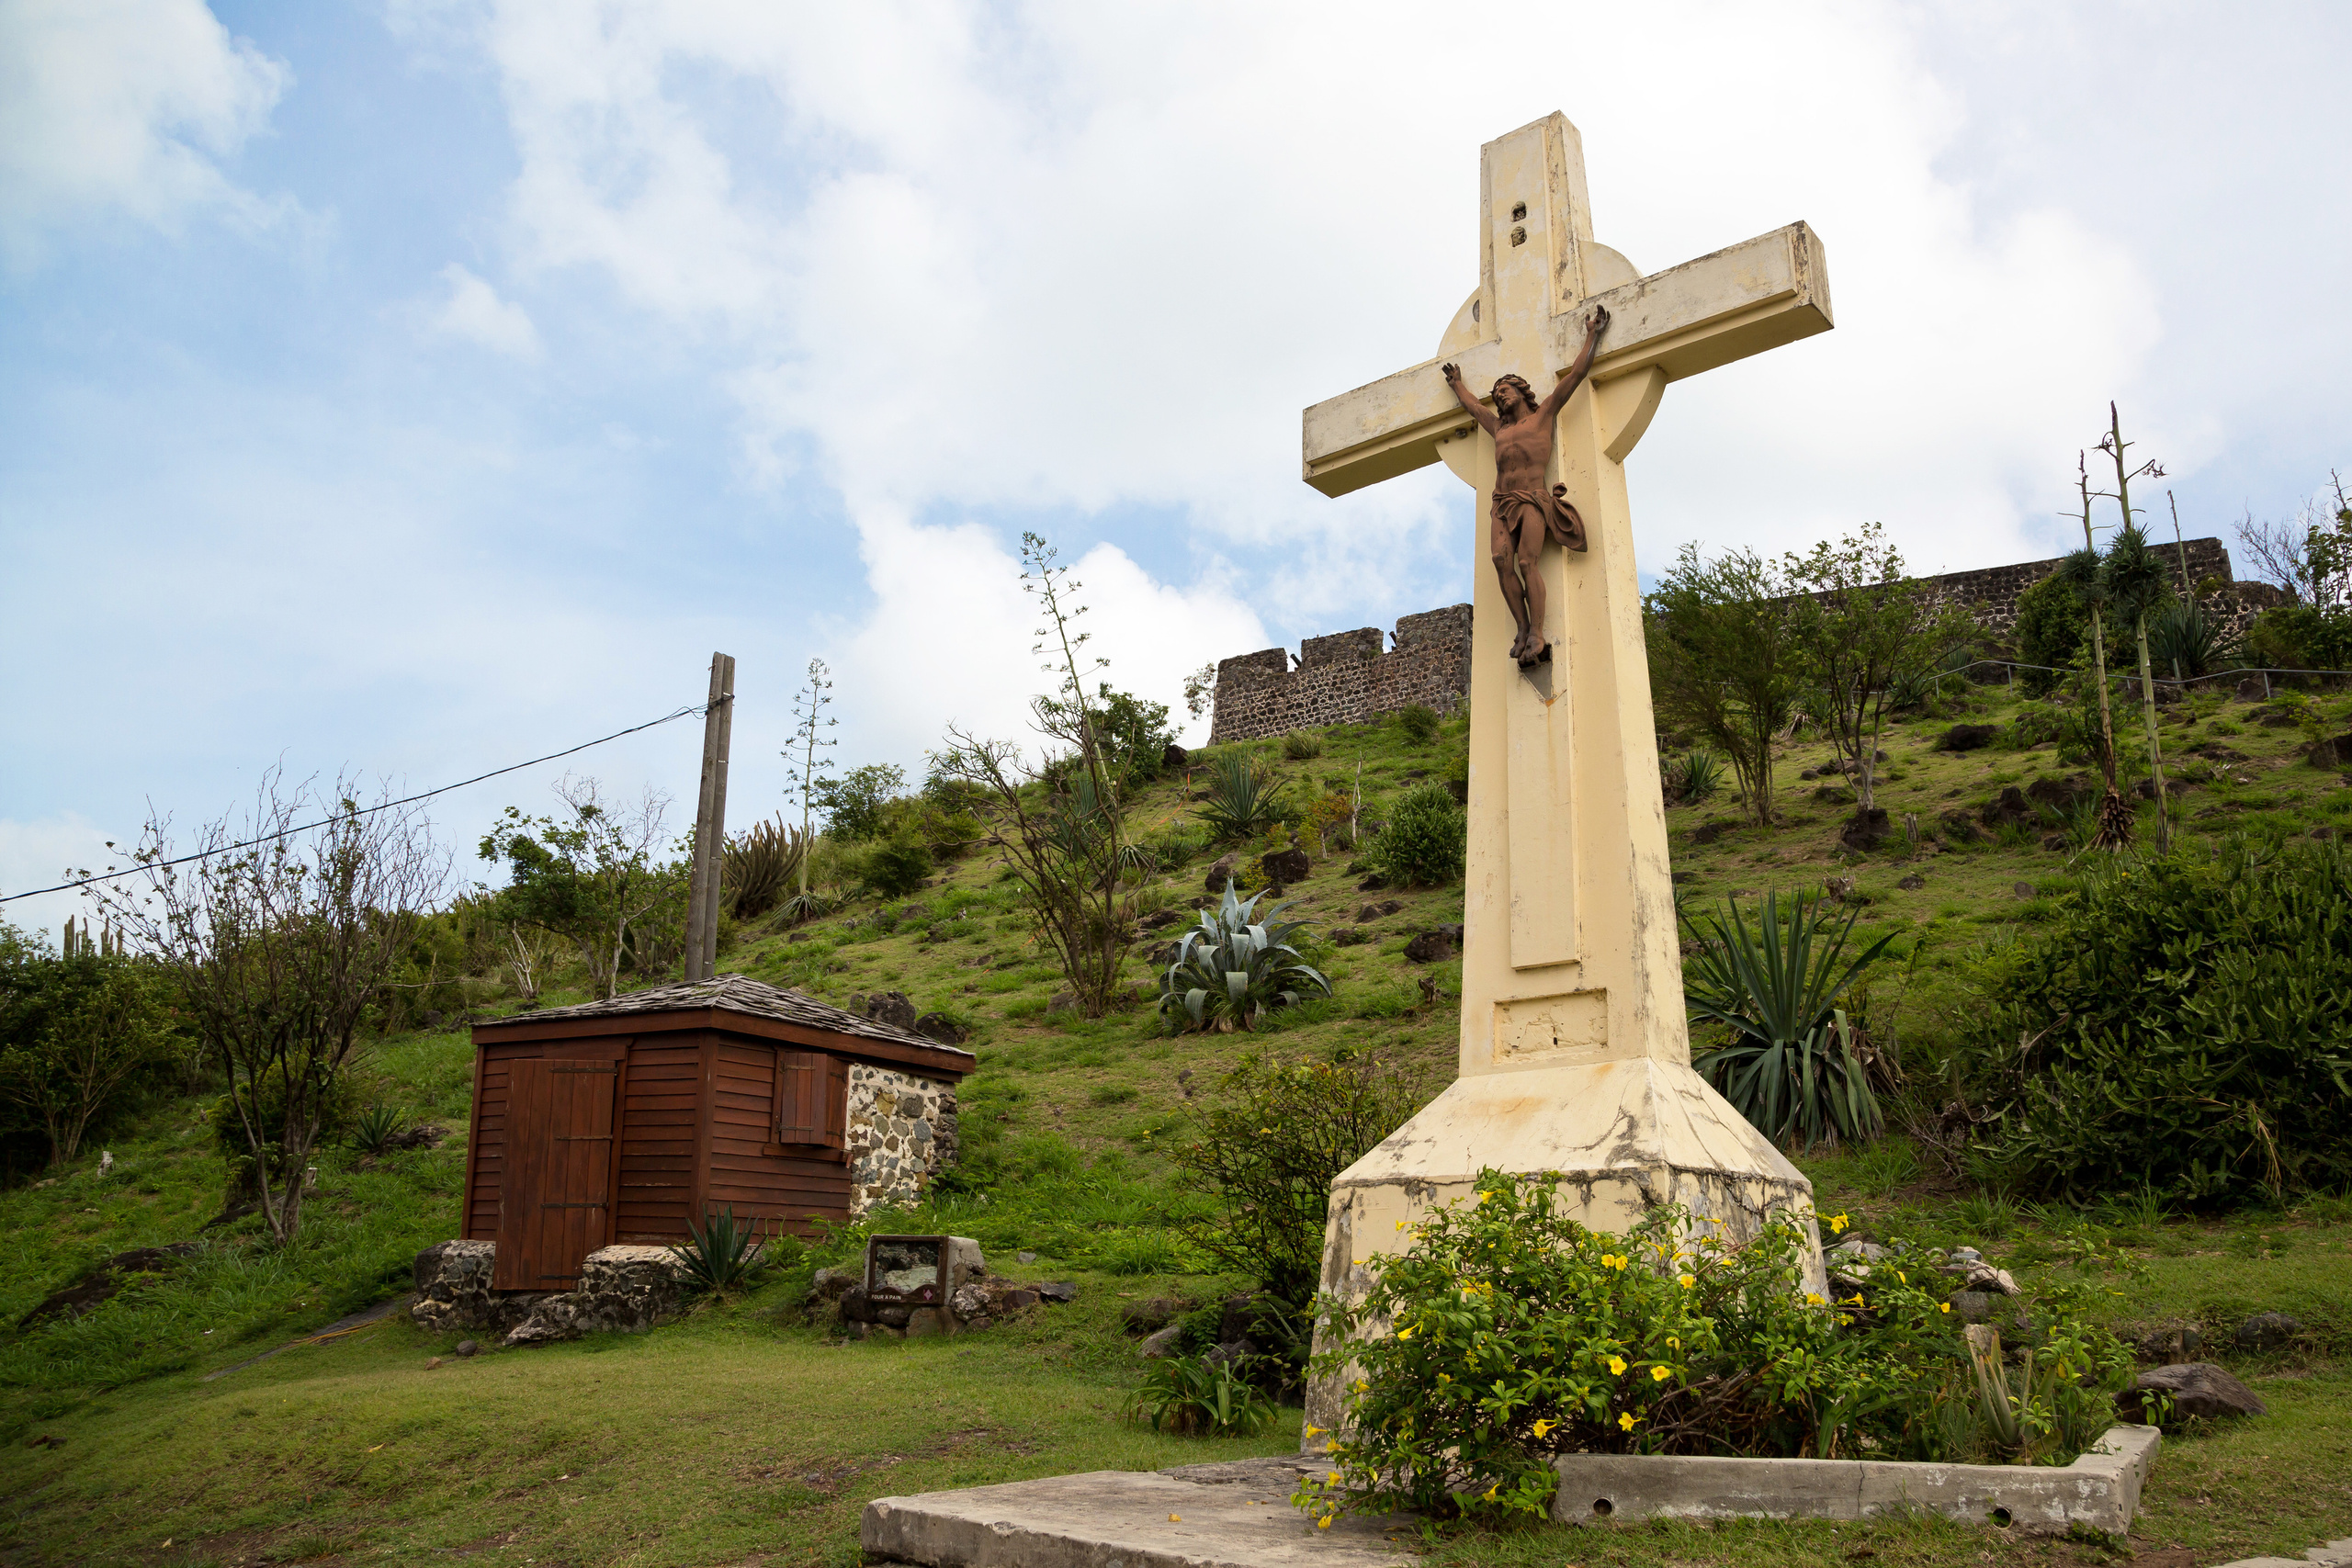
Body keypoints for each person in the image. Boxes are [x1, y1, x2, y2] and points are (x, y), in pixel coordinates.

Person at [1442, 304, 1610, 666]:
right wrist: (1457, 385)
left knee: (1527, 561)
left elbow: (1575, 377)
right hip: (1501, 501)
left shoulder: (1543, 416)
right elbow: (1474, 408)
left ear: (1520, 391)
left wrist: (1592, 335)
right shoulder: (1498, 429)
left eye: (1505, 389)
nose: (1500, 395)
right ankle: (1520, 627)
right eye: (1497, 392)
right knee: (1501, 560)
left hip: (1532, 499)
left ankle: (1537, 631)